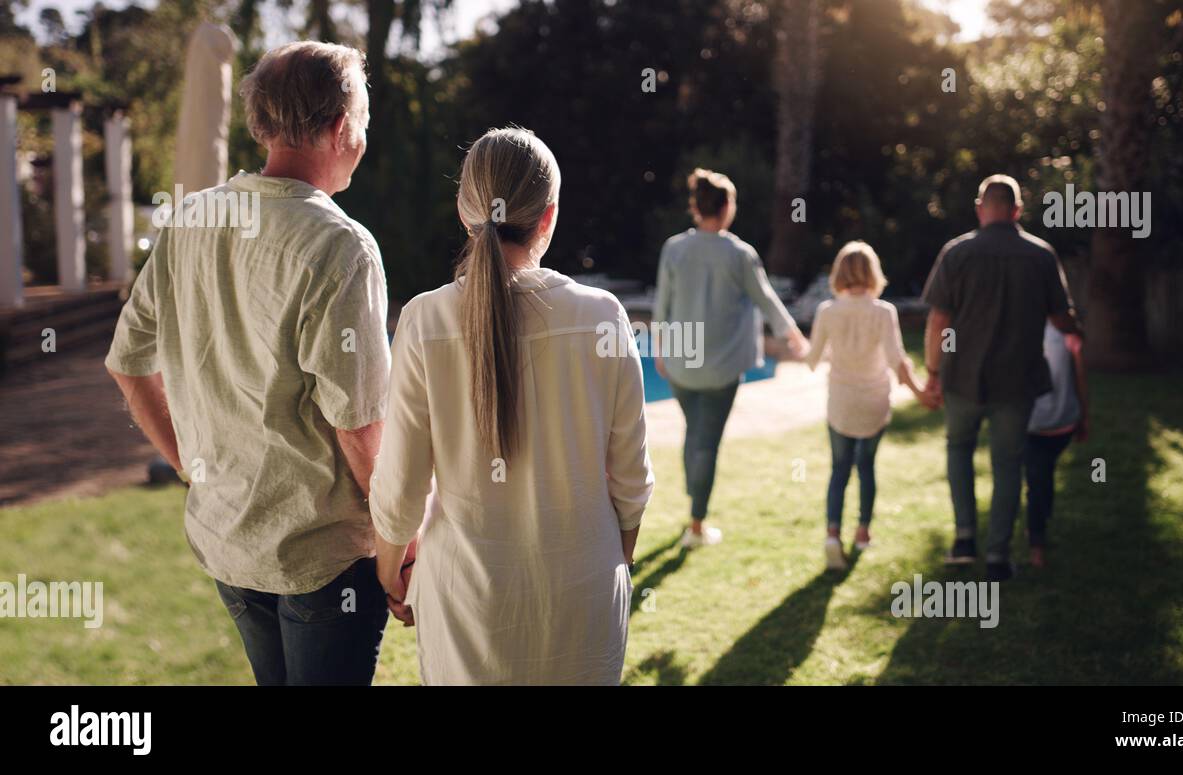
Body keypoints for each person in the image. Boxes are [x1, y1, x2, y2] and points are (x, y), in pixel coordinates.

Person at [104, 42, 393, 684]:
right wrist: (406, 540)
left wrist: (185, 461)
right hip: (322, 556)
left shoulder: (190, 220)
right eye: (365, 120)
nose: (365, 137)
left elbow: (128, 362)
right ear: (340, 126)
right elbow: (359, 425)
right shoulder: (341, 245)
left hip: (226, 544)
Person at [367, 128, 654, 685]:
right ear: (548, 218)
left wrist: (391, 577)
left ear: (463, 210)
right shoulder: (602, 316)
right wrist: (615, 561)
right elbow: (631, 481)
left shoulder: (425, 321)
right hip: (583, 600)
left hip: (469, 604)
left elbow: (400, 490)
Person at [919, 174, 1080, 582]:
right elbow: (1061, 317)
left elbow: (939, 319)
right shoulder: (1041, 255)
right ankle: (997, 556)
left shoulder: (956, 253)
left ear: (980, 208)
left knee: (959, 450)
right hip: (1017, 379)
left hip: (962, 378)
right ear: (1017, 211)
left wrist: (933, 372)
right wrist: (1077, 327)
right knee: (1008, 464)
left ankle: (963, 540)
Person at [653, 168, 809, 548]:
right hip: (723, 370)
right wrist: (793, 336)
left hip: (680, 367)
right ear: (725, 208)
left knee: (694, 435)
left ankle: (694, 504)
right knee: (707, 442)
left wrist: (660, 351)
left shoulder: (674, 248)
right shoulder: (740, 254)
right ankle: (696, 524)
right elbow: (767, 299)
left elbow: (662, 306)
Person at [806, 242, 925, 570]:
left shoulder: (827, 311)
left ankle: (832, 534)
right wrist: (921, 391)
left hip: (841, 402)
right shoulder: (884, 312)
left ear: (839, 274)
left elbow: (812, 360)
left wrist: (799, 345)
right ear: (873, 273)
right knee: (867, 467)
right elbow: (897, 361)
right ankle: (862, 533)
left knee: (839, 470)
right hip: (874, 401)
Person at [1024, 323, 1089, 568]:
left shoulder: (1065, 331)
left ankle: (1037, 536)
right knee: (1038, 479)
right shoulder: (1020, 325)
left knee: (1040, 477)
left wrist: (1084, 416)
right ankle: (1036, 538)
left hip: (1060, 421)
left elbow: (1080, 376)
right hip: (1031, 423)